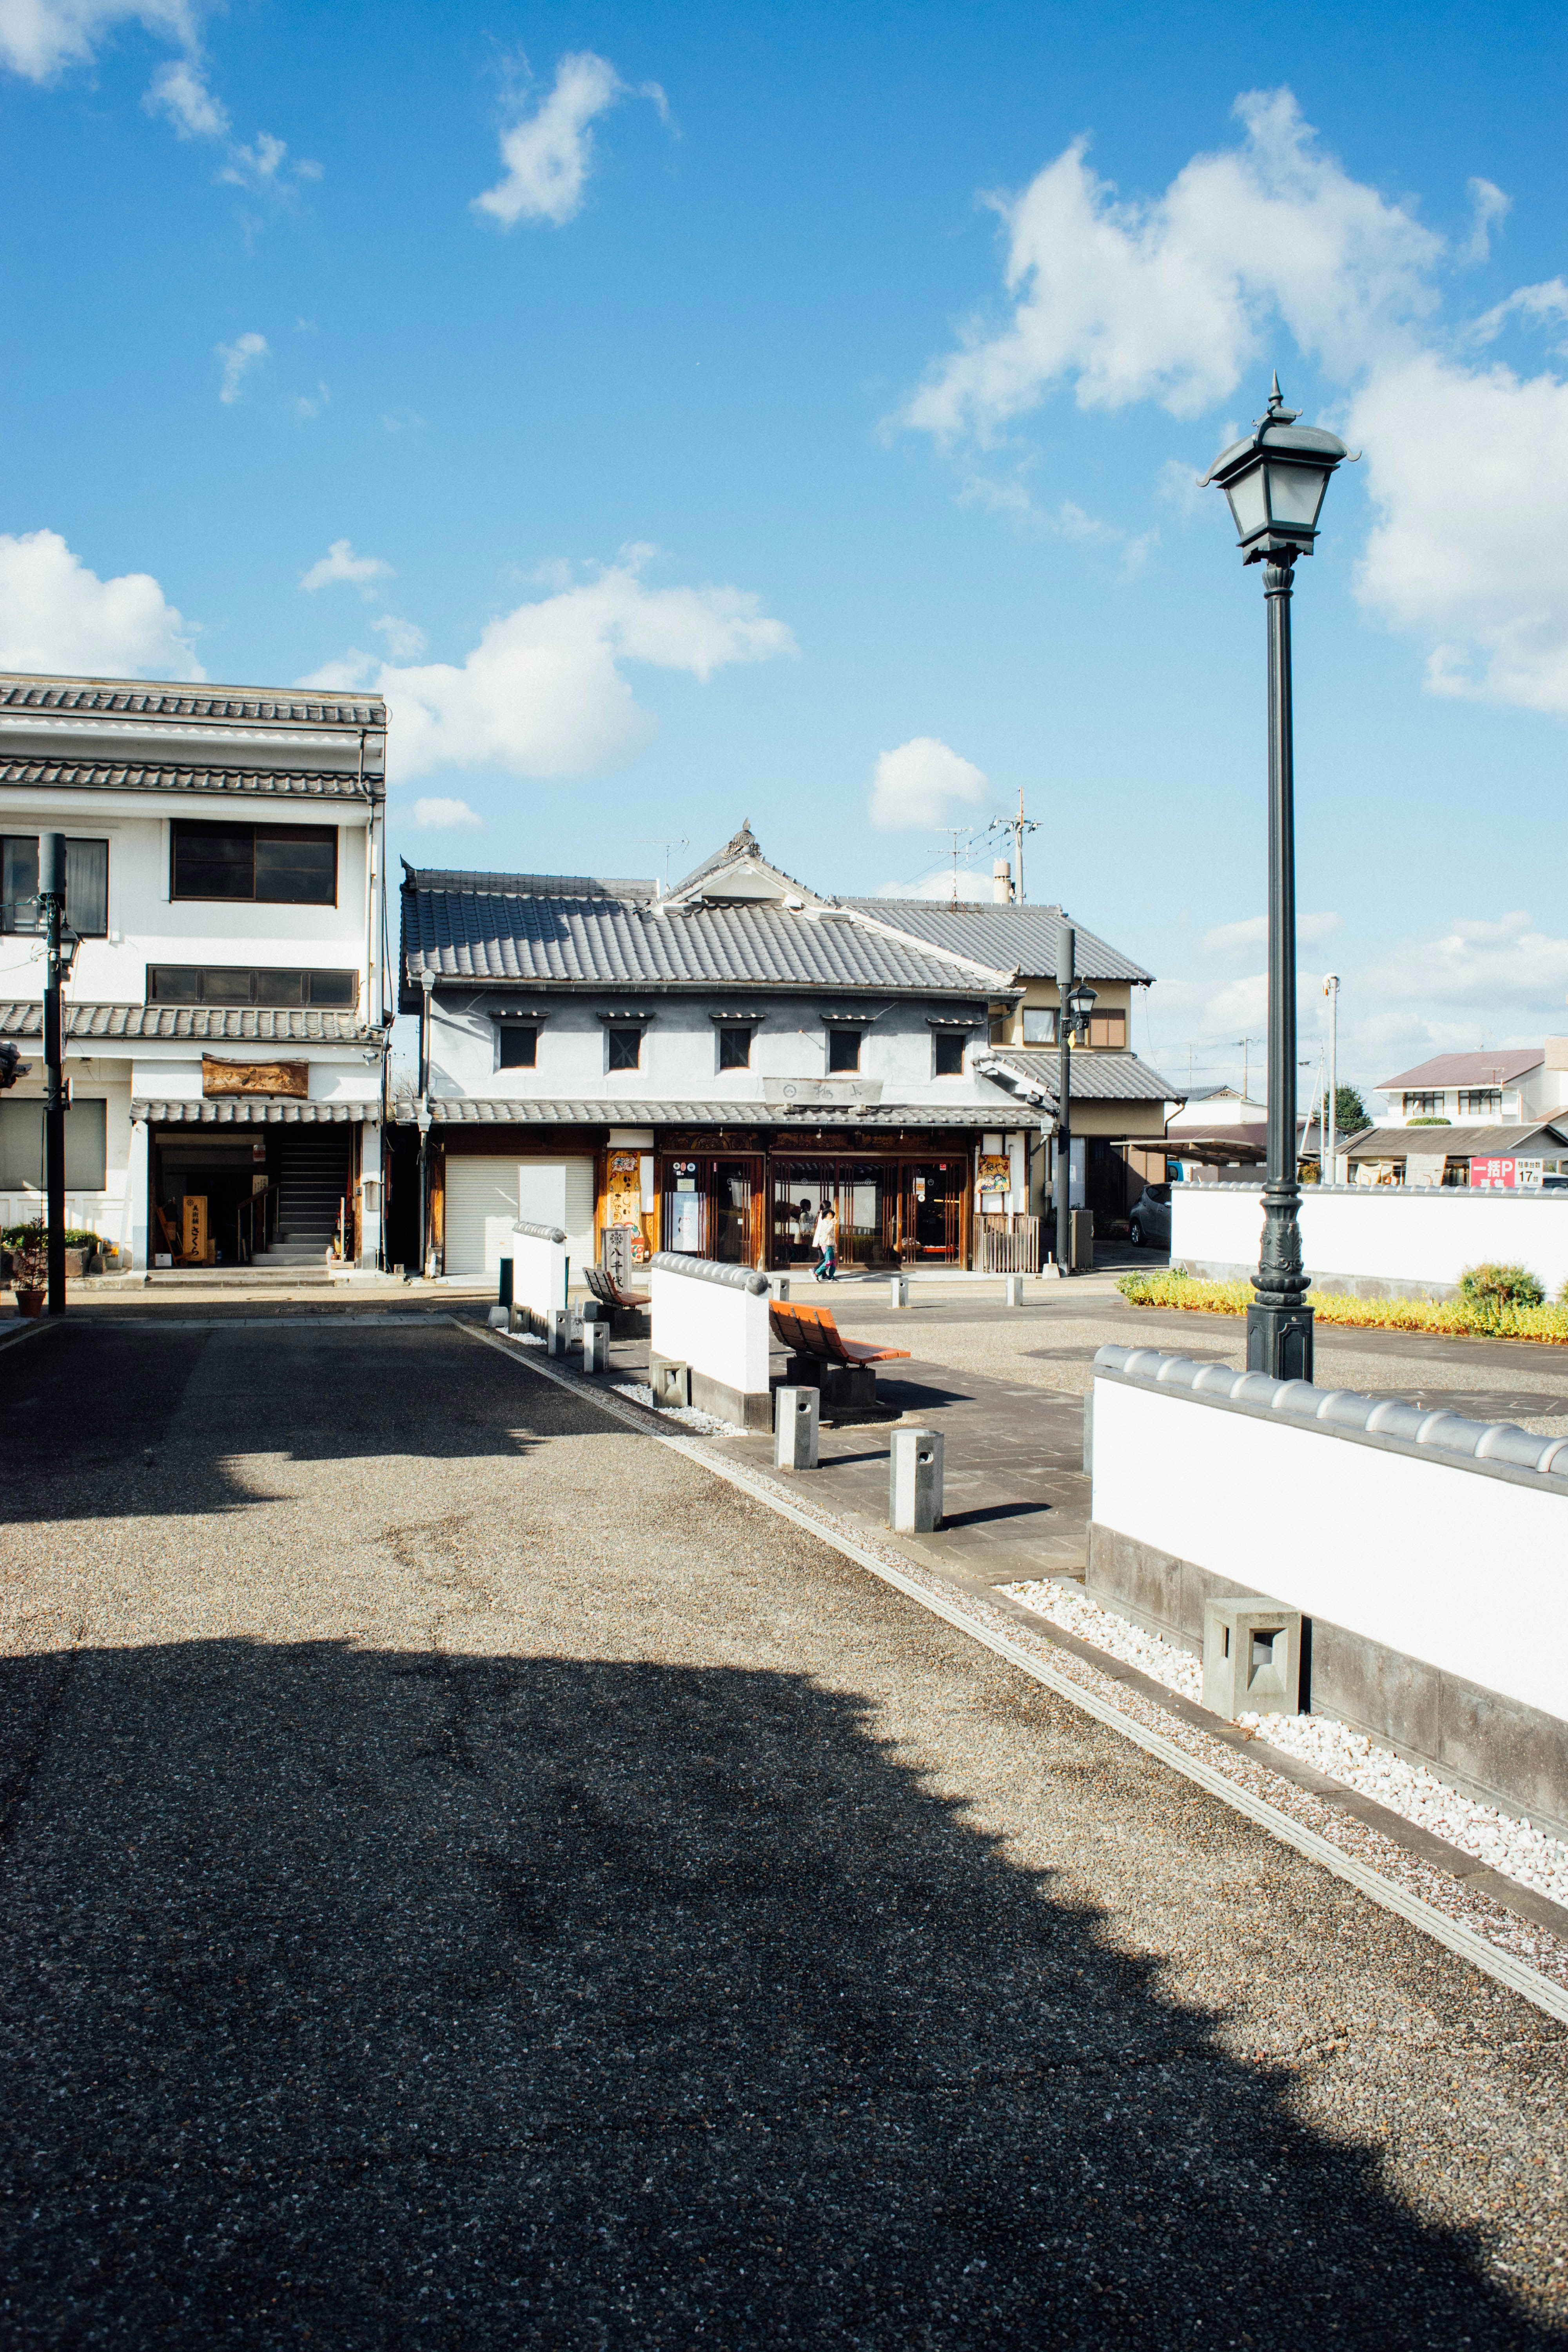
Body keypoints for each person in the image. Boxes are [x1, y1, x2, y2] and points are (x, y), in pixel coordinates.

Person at [812, 1201, 838, 1281]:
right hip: (823, 1242)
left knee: (829, 1260)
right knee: (827, 1260)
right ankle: (816, 1272)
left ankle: (829, 1276)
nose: (831, 1215)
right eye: (830, 1207)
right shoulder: (822, 1217)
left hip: (827, 1242)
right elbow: (825, 1231)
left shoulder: (826, 1218)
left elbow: (831, 1234)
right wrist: (832, 1224)